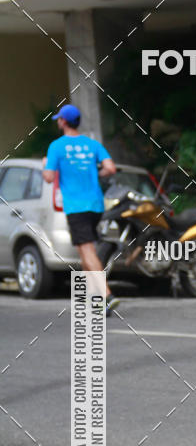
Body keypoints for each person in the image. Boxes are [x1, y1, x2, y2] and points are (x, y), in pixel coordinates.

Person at [42, 104, 119, 316]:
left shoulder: (56, 147)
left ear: (63, 122)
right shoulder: (92, 144)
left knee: (87, 251)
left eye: (59, 119)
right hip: (96, 204)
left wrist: (45, 165)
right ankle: (94, 300)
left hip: (76, 206)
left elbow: (48, 177)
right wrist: (95, 174)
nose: (58, 121)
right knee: (85, 251)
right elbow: (110, 168)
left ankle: (107, 295)